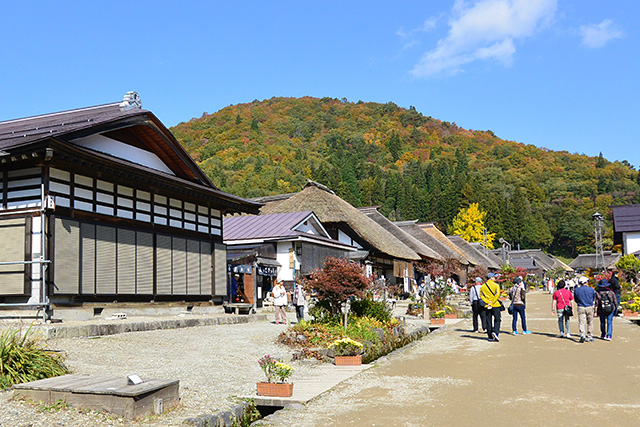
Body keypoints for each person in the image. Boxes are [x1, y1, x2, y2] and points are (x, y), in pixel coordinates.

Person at [480, 273, 502, 342]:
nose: (495, 279)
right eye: (494, 277)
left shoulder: (483, 286)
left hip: (487, 305)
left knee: (488, 320)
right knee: (497, 319)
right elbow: (497, 294)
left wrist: (487, 301)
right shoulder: (496, 285)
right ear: (491, 278)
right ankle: (495, 332)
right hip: (495, 304)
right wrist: (492, 302)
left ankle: (489, 336)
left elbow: (481, 295)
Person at [574, 276, 596, 343]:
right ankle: (590, 335)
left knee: (581, 322)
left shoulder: (577, 290)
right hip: (589, 306)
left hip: (581, 306)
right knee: (590, 322)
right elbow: (593, 298)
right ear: (586, 282)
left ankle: (582, 334)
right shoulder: (591, 290)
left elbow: (576, 299)